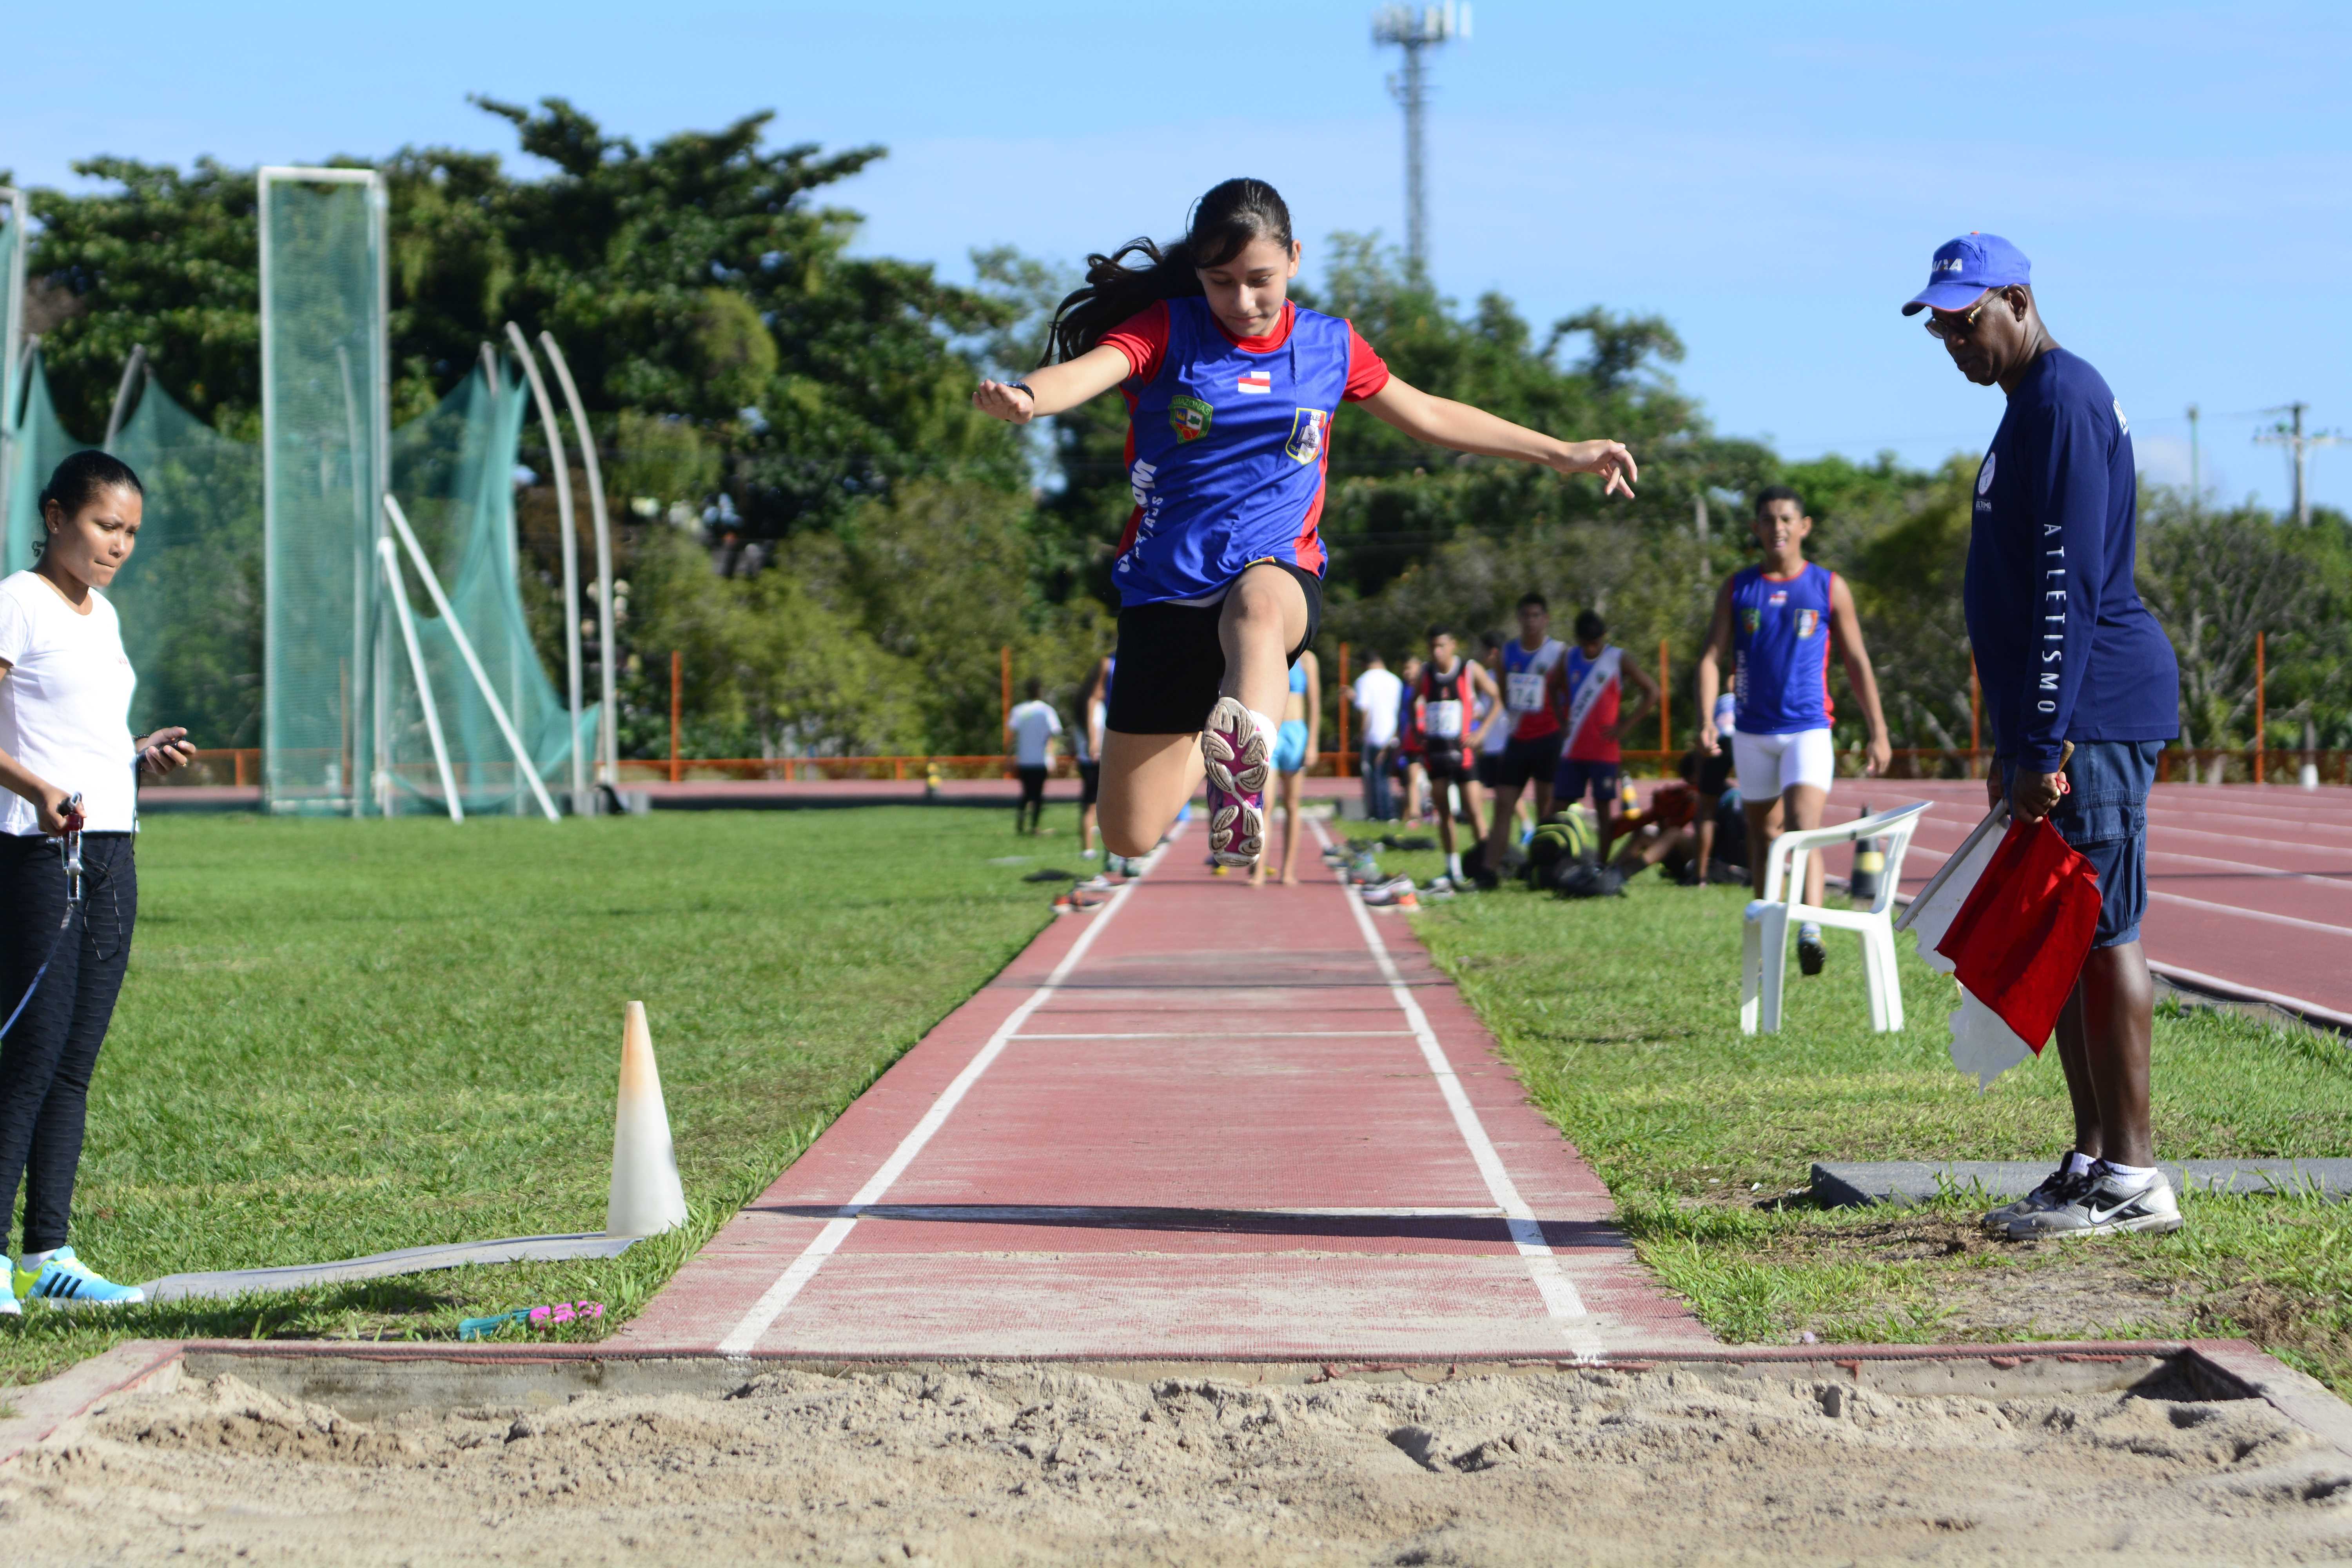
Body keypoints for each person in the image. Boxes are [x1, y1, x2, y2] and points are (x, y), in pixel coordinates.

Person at [971, 178, 1637, 871]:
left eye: (1260, 280)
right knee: (1130, 834)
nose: (1243, 302)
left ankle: (1242, 773)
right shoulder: (1169, 328)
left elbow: (1433, 416)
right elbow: (1084, 373)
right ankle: (1222, 736)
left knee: (1258, 608)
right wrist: (1025, 398)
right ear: (1198, 276)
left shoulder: (1330, 346)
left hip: (1277, 566)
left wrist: (1562, 453)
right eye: (1221, 282)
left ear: (1294, 256)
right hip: (1165, 587)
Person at [1905, 233, 2182, 1240]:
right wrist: (2019, 732)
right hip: (2062, 715)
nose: (1952, 339)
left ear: (2018, 300)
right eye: (1939, 325)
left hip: (2097, 708)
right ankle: (2090, 1158)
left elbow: (2065, 586)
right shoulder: (2028, 406)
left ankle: (2136, 1175)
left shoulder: (2061, 398)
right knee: (2068, 934)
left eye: (1966, 319)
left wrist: (2047, 741)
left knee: (2105, 931)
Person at [0, 451, 195, 1310]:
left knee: (75, 1062)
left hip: (112, 847)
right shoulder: (17, 601)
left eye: (130, 533)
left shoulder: (104, 615)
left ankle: (48, 1254)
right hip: (40, 851)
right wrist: (37, 790)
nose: (118, 545)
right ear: (55, 517)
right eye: (103, 525)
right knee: (32, 1056)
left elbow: (83, 732)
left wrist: (135, 754)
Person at [1697, 488, 1892, 976]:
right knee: (1762, 836)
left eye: (1786, 518)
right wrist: (1705, 719)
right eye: (1767, 519)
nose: (1777, 527)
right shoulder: (1739, 588)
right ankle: (1768, 931)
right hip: (1752, 732)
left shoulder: (1828, 586)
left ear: (1804, 526)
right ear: (1756, 528)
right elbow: (1710, 657)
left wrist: (1878, 730)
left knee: (1804, 827)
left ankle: (1810, 929)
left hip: (1808, 728)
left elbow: (1857, 661)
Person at [1549, 608, 1658, 864]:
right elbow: (1552, 687)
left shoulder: (1618, 659)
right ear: (1578, 640)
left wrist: (1625, 726)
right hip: (1573, 749)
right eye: (1585, 644)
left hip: (1604, 751)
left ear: (1604, 638)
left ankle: (1601, 863)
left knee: (1603, 810)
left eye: (1595, 643)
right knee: (1557, 807)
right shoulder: (1568, 658)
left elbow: (1652, 691)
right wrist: (1561, 721)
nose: (1590, 649)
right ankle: (1549, 857)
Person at [1411, 627, 1502, 887]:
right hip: (1436, 753)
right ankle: (1453, 870)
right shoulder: (1426, 674)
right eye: (1432, 647)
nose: (1437, 652)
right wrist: (1418, 734)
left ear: (1453, 645)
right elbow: (1410, 703)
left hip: (1464, 753)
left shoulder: (1469, 670)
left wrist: (1482, 732)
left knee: (1474, 810)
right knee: (1444, 812)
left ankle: (1486, 867)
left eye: (1442, 646)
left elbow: (1497, 698)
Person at [1251, 646, 1320, 887]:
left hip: (1296, 734)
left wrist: (1312, 744)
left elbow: (1315, 703)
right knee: (1266, 805)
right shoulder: (1269, 652)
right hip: (1271, 733)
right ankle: (1259, 870)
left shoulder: (1308, 660)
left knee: (1292, 804)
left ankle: (1288, 870)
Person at [1004, 678, 1062, 836]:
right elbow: (1051, 736)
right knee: (1037, 794)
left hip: (1024, 759)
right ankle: (1034, 826)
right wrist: (1051, 757)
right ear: (1040, 691)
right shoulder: (1046, 710)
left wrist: (1008, 758)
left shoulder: (1018, 710)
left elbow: (1011, 737)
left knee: (1026, 793)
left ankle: (1021, 825)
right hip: (1039, 760)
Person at [1351, 651, 1401, 823]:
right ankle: (1389, 812)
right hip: (1392, 735)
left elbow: (1364, 710)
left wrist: (1361, 734)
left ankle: (1380, 814)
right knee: (1386, 776)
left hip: (1373, 736)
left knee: (1374, 777)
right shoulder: (1395, 680)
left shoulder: (1364, 681)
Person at [1074, 657, 1110, 859]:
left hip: (1089, 759)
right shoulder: (1092, 705)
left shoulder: (1083, 703)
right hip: (1095, 759)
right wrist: (1093, 744)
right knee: (1096, 806)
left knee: (1091, 806)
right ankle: (1090, 849)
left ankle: (1090, 848)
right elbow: (1092, 730)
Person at [1396, 654, 1427, 825]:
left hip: (1427, 735)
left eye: (1410, 668)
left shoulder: (1426, 685)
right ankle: (1414, 814)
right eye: (1405, 669)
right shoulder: (1405, 688)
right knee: (1411, 777)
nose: (1407, 673)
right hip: (1411, 738)